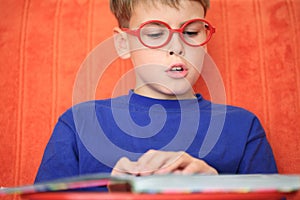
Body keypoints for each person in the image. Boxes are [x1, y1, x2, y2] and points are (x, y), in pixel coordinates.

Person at [35, 0, 278, 191]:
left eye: (191, 32)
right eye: (154, 34)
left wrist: (217, 188)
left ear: (205, 41)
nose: (177, 47)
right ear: (123, 44)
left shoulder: (243, 127)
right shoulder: (79, 123)